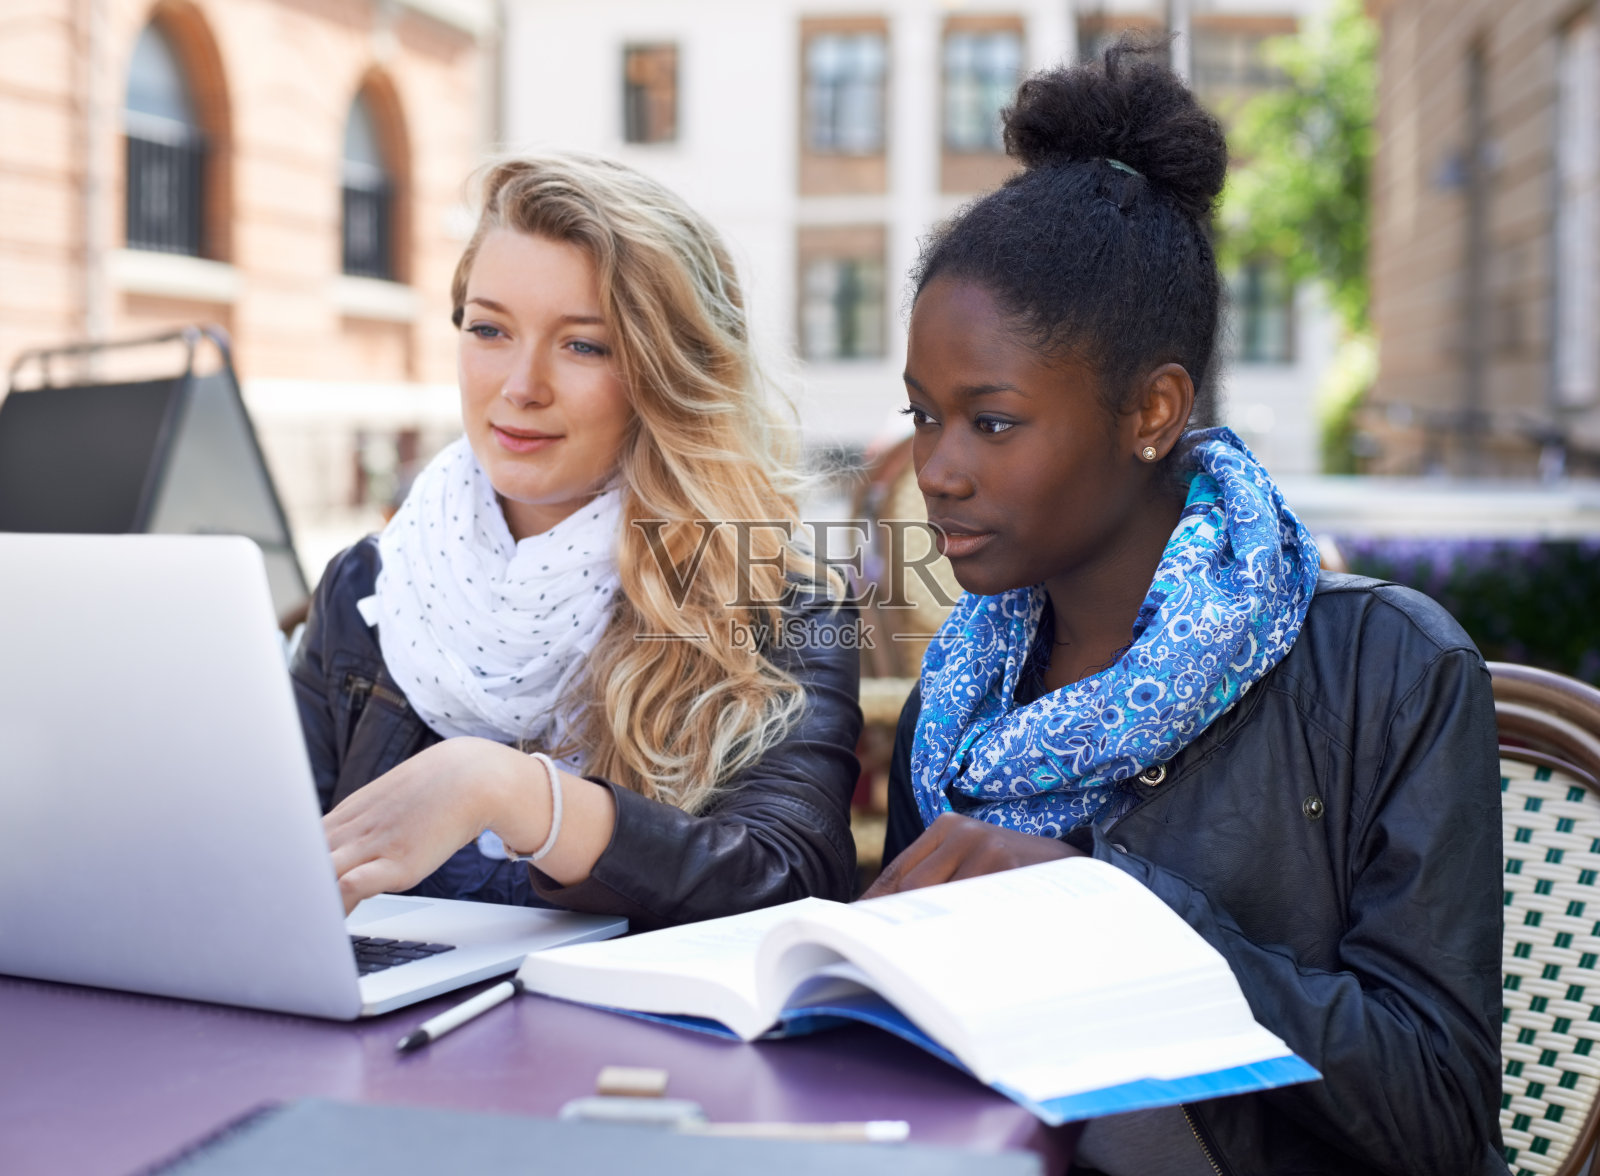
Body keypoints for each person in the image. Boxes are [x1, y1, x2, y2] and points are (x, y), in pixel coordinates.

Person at [866, 42, 1503, 1176]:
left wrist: (1106, 913)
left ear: (1152, 411)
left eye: (991, 422)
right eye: (923, 417)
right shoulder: (958, 706)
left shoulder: (1390, 671)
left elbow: (1438, 1115)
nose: (938, 470)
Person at [292, 154, 862, 930]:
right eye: (489, 329)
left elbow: (795, 877)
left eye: (583, 345)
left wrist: (509, 791)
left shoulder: (776, 598)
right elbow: (265, 865)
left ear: (668, 373)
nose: (521, 386)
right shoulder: (371, 587)